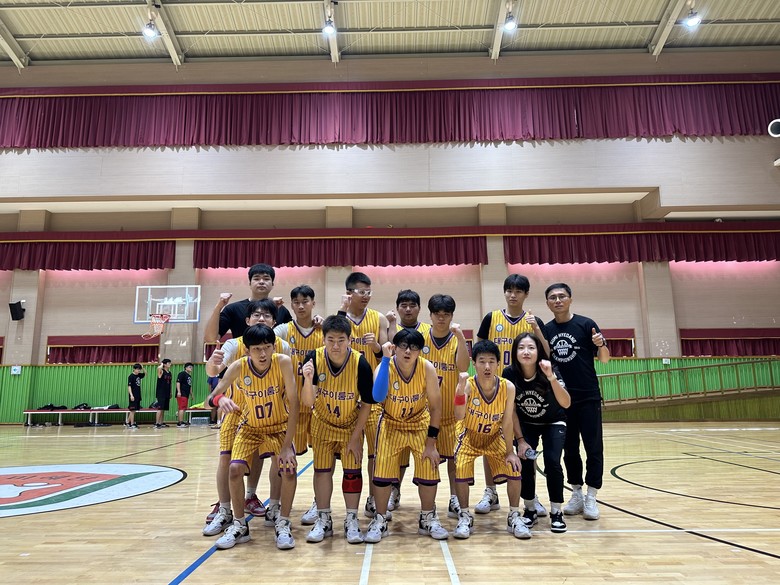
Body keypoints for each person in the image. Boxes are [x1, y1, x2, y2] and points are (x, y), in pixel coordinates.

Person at [206, 324, 302, 550]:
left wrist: (287, 446)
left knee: (288, 469)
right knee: (234, 469)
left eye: (267, 347)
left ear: (274, 347)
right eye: (257, 349)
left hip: (278, 426)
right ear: (247, 350)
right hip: (250, 427)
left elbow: (295, 403)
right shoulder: (238, 366)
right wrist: (220, 399)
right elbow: (210, 398)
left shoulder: (283, 362)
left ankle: (283, 521)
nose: (262, 353)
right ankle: (240, 525)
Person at [474, 273, 548, 516]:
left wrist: (536, 328)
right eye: (509, 290)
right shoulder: (491, 318)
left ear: (526, 294)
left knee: (526, 444)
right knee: (489, 441)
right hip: (493, 387)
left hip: (526, 388)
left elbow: (546, 353)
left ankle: (531, 496)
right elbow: (479, 350)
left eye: (518, 291)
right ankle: (491, 492)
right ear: (504, 292)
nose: (513, 295)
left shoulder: (534, 321)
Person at [365, 329, 448, 543]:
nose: (408, 351)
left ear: (420, 351)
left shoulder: (427, 368)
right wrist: (385, 359)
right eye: (403, 346)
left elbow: (436, 408)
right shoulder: (385, 366)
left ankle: (427, 517)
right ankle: (380, 519)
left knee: (429, 468)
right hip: (391, 423)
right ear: (395, 348)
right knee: (382, 474)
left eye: (414, 347)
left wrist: (431, 443)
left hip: (419, 423)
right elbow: (377, 396)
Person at [299, 315, 376, 544]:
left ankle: (351, 519)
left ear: (349, 340)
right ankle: (324, 519)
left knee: (352, 473)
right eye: (330, 340)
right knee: (322, 471)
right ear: (323, 339)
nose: (335, 345)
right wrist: (308, 379)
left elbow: (367, 404)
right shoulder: (313, 358)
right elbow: (307, 402)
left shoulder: (361, 363)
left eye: (341, 340)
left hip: (350, 425)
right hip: (322, 423)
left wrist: (355, 438)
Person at [542, 282, 610, 521]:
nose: (558, 300)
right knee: (569, 448)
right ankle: (577, 493)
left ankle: (592, 495)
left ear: (570, 299)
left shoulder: (586, 324)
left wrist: (601, 345)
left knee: (593, 447)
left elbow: (604, 359)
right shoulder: (546, 330)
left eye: (562, 296)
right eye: (553, 297)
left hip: (588, 396)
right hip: (562, 399)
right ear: (547, 303)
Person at [452, 341, 529, 540]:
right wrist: (459, 391)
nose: (487, 366)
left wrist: (511, 451)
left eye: (491, 361)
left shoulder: (508, 387)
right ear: (474, 364)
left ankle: (514, 515)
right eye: (482, 361)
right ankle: (464, 515)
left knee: (514, 467)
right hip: (469, 435)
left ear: (498, 364)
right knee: (460, 467)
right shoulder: (467, 385)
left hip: (495, 436)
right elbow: (459, 415)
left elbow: (507, 421)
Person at [502, 332, 571, 533]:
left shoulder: (549, 369)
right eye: (521, 347)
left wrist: (551, 377)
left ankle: (556, 512)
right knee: (524, 460)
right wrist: (520, 440)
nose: (526, 352)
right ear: (515, 352)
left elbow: (566, 402)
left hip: (553, 421)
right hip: (526, 423)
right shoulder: (509, 373)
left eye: (531, 348)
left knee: (552, 461)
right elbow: (511, 411)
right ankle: (530, 509)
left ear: (538, 351)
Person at [273, 285, 325, 525]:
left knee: (321, 459)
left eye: (305, 301)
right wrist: (274, 310)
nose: (301, 306)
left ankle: (318, 503)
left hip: (317, 405)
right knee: (281, 458)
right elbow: (264, 336)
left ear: (313, 303)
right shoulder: (284, 330)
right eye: (296, 302)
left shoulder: (323, 330)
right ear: (291, 305)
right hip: (289, 407)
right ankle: (276, 504)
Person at [340, 272, 389, 518]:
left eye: (369, 292)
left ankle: (372, 499)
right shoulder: (340, 318)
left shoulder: (378, 318)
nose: (366, 296)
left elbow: (386, 356)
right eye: (362, 291)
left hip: (372, 398)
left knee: (375, 454)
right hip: (345, 397)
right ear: (349, 293)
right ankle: (333, 506)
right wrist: (341, 310)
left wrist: (376, 347)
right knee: (349, 455)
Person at [422, 294, 470, 519]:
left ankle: (454, 498)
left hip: (452, 415)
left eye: (446, 315)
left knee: (454, 460)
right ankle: (427, 505)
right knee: (428, 460)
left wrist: (460, 338)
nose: (441, 319)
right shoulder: (422, 338)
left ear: (452, 316)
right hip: (425, 414)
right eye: (437, 314)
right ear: (430, 315)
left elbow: (464, 367)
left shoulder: (456, 339)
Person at [383, 289, 432, 512]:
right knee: (395, 459)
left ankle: (428, 509)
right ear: (397, 307)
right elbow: (390, 354)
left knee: (427, 460)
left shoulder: (428, 331)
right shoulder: (392, 330)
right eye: (403, 305)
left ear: (420, 308)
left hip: (420, 403)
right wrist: (392, 324)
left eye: (412, 305)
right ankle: (394, 490)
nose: (408, 309)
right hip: (395, 405)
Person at [204, 263, 293, 344]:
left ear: (272, 284)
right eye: (256, 278)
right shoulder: (233, 309)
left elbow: (292, 338)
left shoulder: (281, 310)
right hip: (241, 356)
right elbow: (210, 339)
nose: (261, 282)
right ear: (250, 283)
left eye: (266, 279)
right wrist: (218, 307)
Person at [154, 359, 172, 429]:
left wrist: (170, 392)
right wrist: (162, 364)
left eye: (170, 363)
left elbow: (170, 383)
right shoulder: (161, 371)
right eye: (168, 363)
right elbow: (158, 368)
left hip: (167, 392)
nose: (170, 364)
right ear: (164, 364)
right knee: (160, 408)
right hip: (161, 392)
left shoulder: (169, 373)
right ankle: (157, 423)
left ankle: (161, 422)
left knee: (163, 408)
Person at [126, 363, 145, 429]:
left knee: (134, 410)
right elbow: (129, 386)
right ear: (134, 369)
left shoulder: (139, 375)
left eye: (139, 369)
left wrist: (143, 368)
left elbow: (145, 374)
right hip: (133, 395)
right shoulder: (131, 376)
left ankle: (127, 422)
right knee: (132, 410)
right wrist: (131, 395)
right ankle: (132, 424)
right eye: (137, 369)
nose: (139, 370)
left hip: (138, 395)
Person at [176, 362, 194, 427]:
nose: (191, 368)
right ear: (185, 368)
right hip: (182, 393)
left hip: (186, 394)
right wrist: (179, 392)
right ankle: (180, 422)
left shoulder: (189, 376)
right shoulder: (182, 374)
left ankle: (180, 421)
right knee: (182, 408)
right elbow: (178, 382)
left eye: (192, 367)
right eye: (190, 367)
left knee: (183, 408)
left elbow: (189, 385)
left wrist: (191, 394)